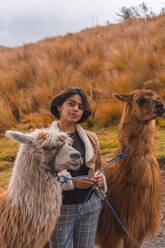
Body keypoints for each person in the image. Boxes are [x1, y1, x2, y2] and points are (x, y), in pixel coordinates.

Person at [49, 87, 107, 248]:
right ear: (59, 107)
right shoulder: (45, 139)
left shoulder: (91, 138)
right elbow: (40, 179)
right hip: (60, 210)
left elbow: (97, 168)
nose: (76, 109)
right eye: (71, 104)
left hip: (90, 206)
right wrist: (72, 183)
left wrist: (100, 179)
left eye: (80, 107)